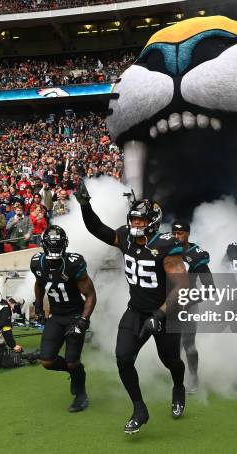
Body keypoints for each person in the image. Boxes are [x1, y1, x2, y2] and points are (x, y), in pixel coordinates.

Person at [75, 182, 188, 434]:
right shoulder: (125, 237)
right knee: (123, 358)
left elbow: (182, 286)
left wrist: (159, 314)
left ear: (153, 222)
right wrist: (85, 206)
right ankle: (139, 408)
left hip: (166, 313)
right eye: (133, 220)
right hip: (136, 310)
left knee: (170, 360)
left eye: (140, 221)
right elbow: (98, 229)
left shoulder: (167, 246)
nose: (135, 225)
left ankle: (178, 386)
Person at [30, 225, 97, 412]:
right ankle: (75, 372)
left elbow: (90, 295)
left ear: (65, 245)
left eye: (57, 245)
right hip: (56, 316)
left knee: (72, 360)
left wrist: (83, 320)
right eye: (51, 245)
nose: (53, 250)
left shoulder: (74, 263)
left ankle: (81, 394)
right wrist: (38, 305)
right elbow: (39, 283)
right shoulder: (37, 262)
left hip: (75, 315)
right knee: (47, 361)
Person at [171, 220, 215, 394]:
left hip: (188, 305)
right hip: (170, 304)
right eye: (174, 233)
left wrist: (189, 301)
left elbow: (210, 289)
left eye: (179, 233)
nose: (176, 236)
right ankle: (177, 378)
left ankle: (194, 377)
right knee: (172, 345)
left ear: (188, 234)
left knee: (188, 342)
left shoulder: (196, 255)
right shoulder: (166, 250)